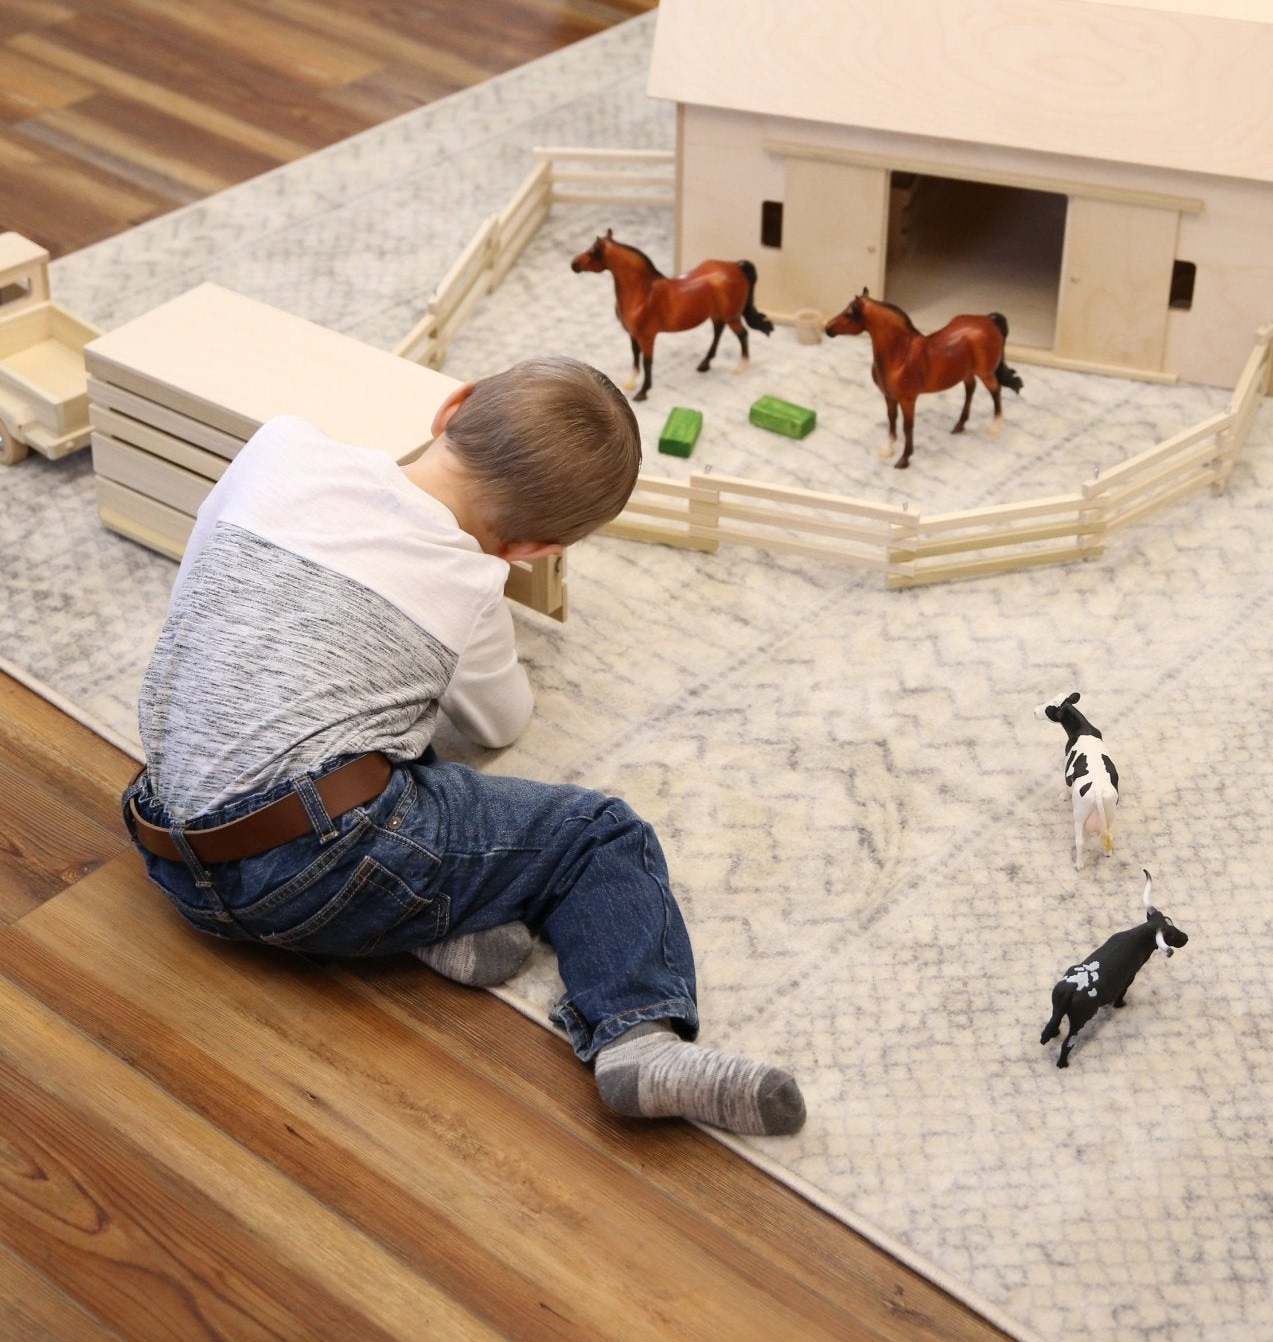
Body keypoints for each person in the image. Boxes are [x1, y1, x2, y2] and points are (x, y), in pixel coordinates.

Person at [123, 354, 805, 1138]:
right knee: (593, 834)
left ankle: (441, 923)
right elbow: (498, 722)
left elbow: (205, 600)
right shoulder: (471, 579)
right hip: (313, 870)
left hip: (167, 839)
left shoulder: (278, 448)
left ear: (453, 404)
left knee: (363, 735)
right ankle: (636, 1036)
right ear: (530, 549)